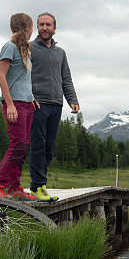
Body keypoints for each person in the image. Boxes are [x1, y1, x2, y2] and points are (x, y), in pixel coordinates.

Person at [28, 12, 79, 202]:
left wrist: (72, 99)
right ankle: (37, 186)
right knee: (38, 146)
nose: (44, 28)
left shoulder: (61, 53)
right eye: (41, 24)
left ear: (55, 28)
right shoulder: (30, 48)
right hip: (37, 104)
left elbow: (66, 78)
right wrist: (31, 97)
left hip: (56, 104)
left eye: (48, 25)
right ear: (37, 27)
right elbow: (25, 75)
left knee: (49, 148)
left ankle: (41, 184)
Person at [0, 13, 38, 202]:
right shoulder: (9, 47)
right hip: (15, 104)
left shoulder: (25, 49)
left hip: (28, 104)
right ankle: (0, 185)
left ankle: (14, 188)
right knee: (17, 145)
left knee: (23, 148)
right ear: (26, 26)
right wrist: (9, 103)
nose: (32, 30)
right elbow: (1, 76)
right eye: (32, 26)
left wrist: (32, 98)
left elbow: (23, 79)